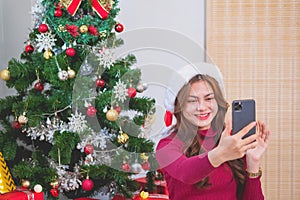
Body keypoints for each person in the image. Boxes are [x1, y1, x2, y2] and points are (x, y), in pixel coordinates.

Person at [155, 63, 270, 200]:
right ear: (180, 107)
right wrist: (221, 153)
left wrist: (253, 162)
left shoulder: (232, 141)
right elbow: (186, 173)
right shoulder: (167, 145)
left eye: (209, 98)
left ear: (218, 102)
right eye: (192, 101)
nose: (202, 107)